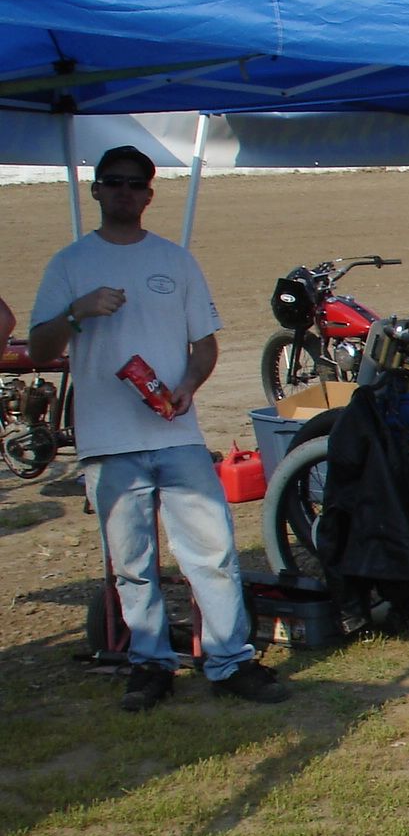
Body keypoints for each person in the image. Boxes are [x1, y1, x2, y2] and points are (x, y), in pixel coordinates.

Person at [28, 147, 288, 713]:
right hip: (108, 441)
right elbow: (42, 348)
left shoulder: (176, 261)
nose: (124, 192)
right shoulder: (69, 264)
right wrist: (78, 312)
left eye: (135, 184)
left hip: (176, 434)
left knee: (213, 552)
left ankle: (228, 659)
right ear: (95, 191)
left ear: (150, 194)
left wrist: (190, 385)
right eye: (113, 183)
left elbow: (206, 343)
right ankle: (149, 664)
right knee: (132, 565)